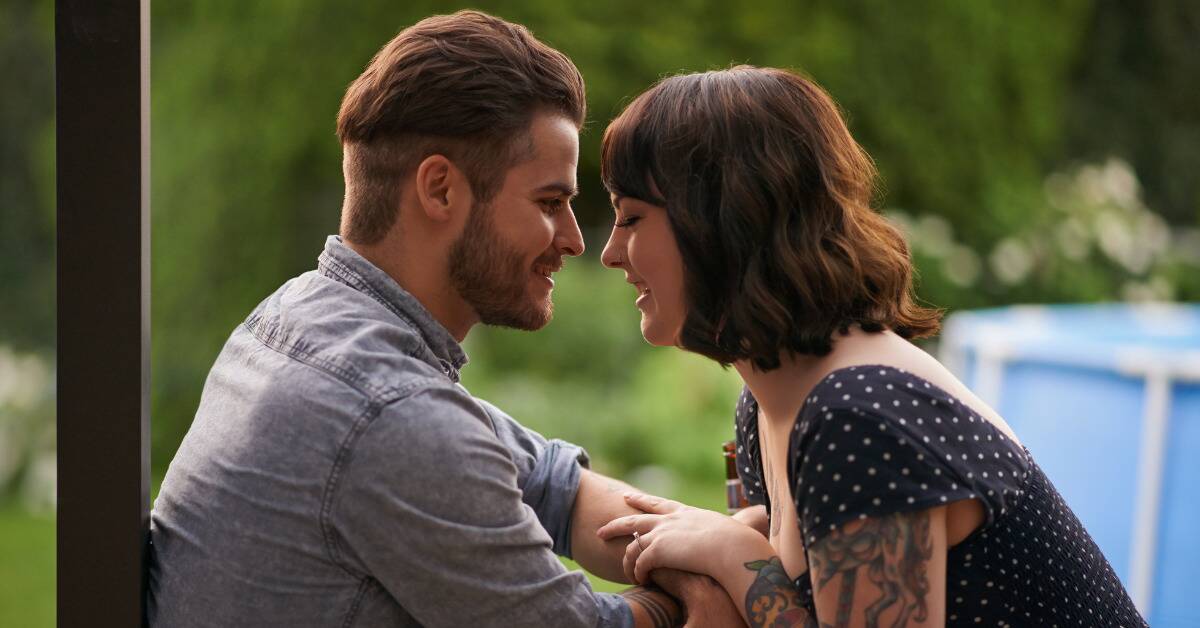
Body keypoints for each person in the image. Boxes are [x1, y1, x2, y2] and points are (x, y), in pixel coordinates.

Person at [147, 11, 743, 627]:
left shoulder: (300, 319)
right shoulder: (387, 412)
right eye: (548, 202)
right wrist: (701, 594)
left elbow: (560, 493)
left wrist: (712, 548)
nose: (573, 239)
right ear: (440, 190)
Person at [595, 66, 1148, 627]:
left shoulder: (860, 417)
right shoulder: (767, 405)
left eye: (631, 217)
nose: (610, 254)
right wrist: (735, 539)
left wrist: (731, 554)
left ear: (723, 221)